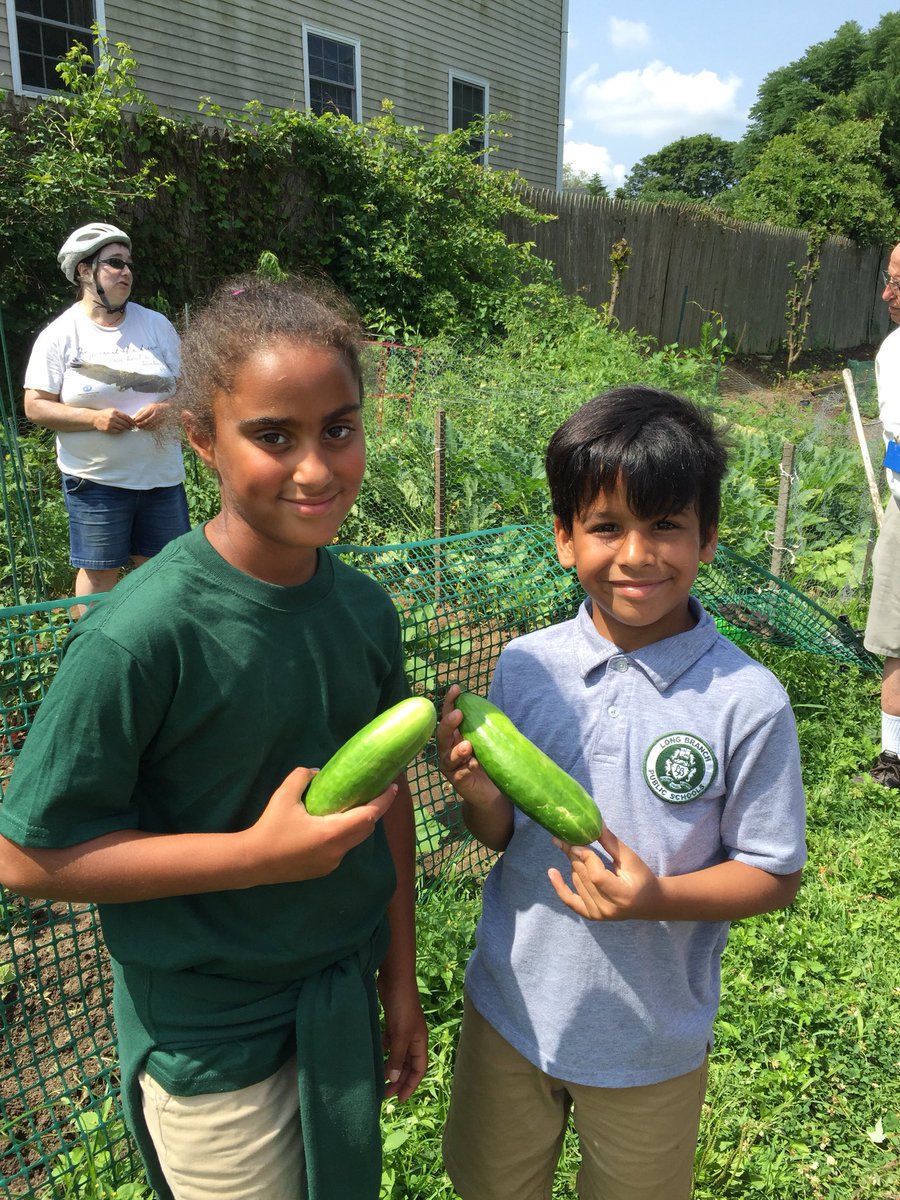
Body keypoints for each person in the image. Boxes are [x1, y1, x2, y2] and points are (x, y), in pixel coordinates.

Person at [0, 274, 428, 1200]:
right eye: (273, 436)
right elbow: (28, 859)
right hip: (211, 1036)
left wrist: (401, 976)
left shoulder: (363, 609)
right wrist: (255, 858)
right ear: (200, 439)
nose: (315, 468)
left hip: (340, 996)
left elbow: (385, 808)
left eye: (338, 429)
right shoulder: (140, 633)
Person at [436, 386, 806, 1200]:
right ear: (566, 539)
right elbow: (501, 834)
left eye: (666, 525)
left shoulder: (747, 700)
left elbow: (774, 875)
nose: (637, 555)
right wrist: (479, 793)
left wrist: (656, 896)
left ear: (708, 538)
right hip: (512, 1009)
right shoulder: (524, 667)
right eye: (607, 527)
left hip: (650, 1042)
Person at [23, 222, 190, 600]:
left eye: (128, 264)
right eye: (115, 263)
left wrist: (168, 408)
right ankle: (88, 651)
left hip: (161, 479)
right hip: (96, 483)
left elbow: (188, 390)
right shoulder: (60, 335)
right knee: (100, 580)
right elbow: (35, 406)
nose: (126, 272)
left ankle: (158, 653)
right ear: (84, 271)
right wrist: (94, 419)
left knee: (165, 575)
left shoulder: (157, 325)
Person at [863, 240, 900, 787]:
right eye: (890, 278)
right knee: (895, 634)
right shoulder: (893, 351)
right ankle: (894, 757)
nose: (889, 293)